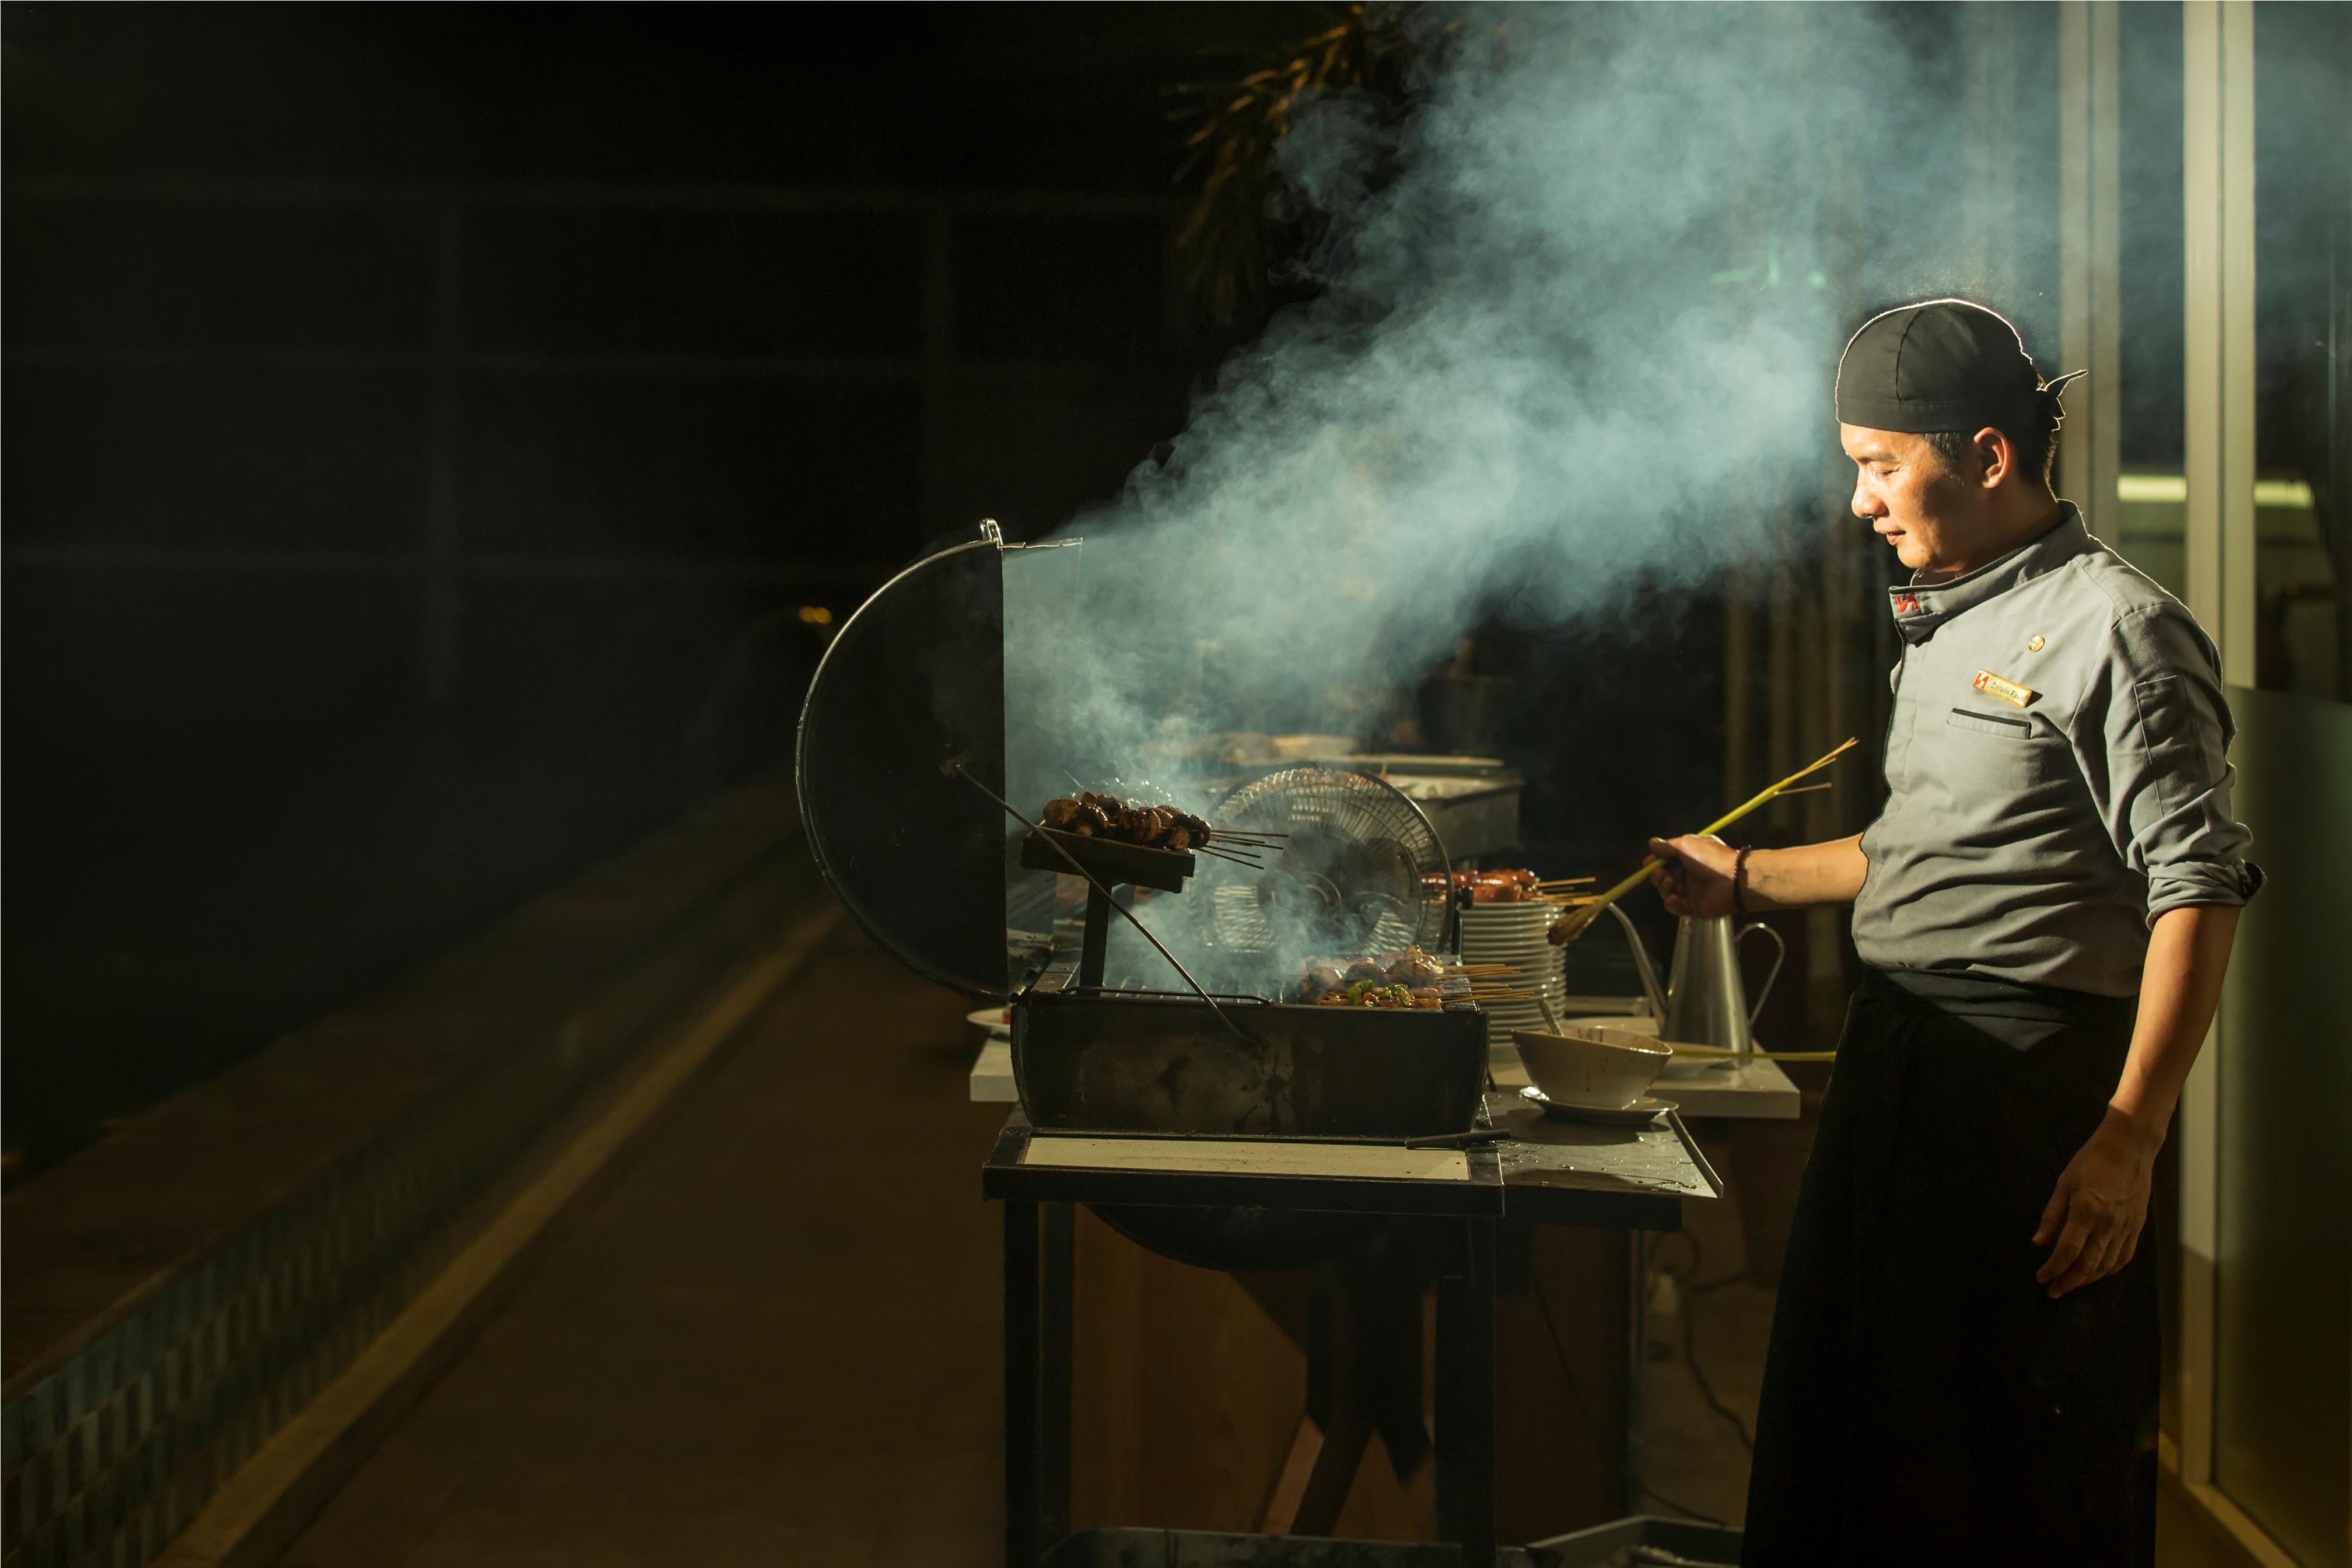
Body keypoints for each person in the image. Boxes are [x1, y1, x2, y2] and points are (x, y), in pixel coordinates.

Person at [1647, 299, 2260, 1566]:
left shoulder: (2121, 633)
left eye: (1881, 466)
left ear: (1986, 456)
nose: (1864, 504)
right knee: (1856, 1447)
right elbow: (1918, 845)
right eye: (1855, 469)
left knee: (2006, 1482)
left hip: (2028, 1101)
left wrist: (2130, 1142)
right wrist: (1745, 880)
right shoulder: (1946, 613)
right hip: (1899, 1076)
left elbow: (2196, 888)